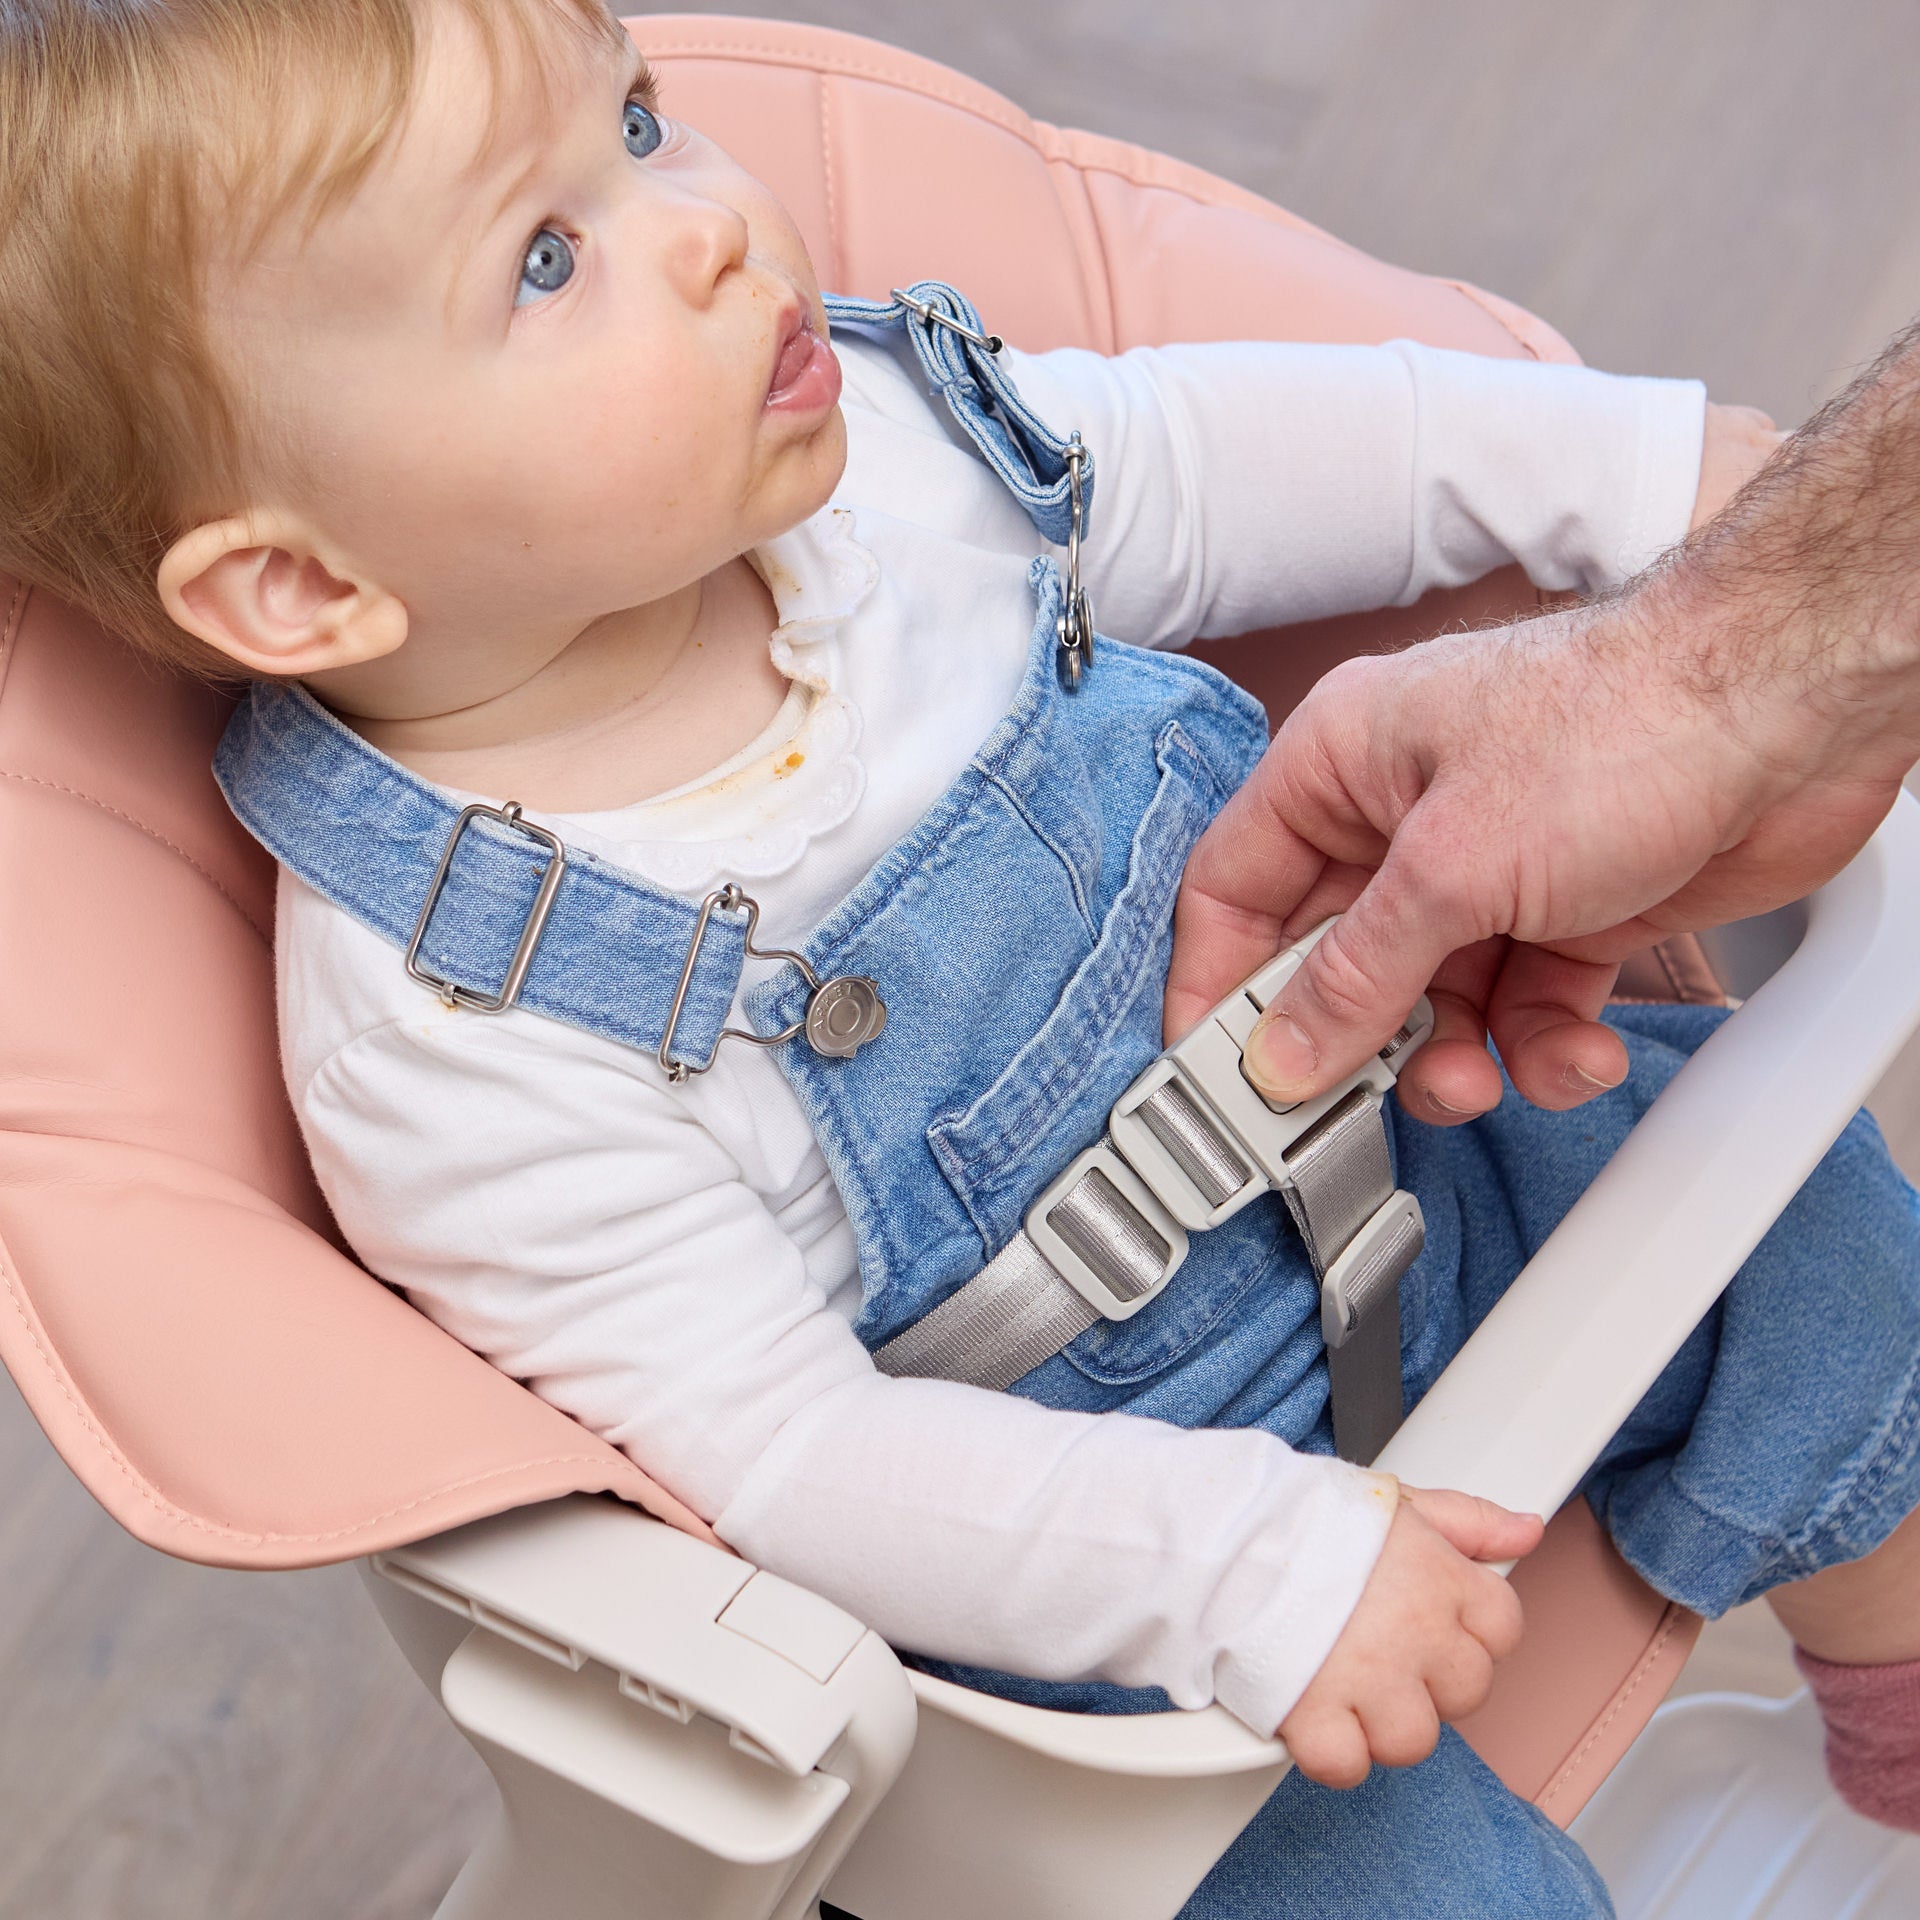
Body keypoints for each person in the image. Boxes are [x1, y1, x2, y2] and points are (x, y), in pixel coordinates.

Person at [2, 3, 1916, 1912]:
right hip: (1081, 1557)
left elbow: (1229, 453)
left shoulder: (892, 459)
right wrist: (1232, 1563)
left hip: (1413, 1144)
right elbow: (786, 1461)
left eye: (643, 125)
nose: (714, 227)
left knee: (1835, 1251)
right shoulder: (456, 1041)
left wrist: (1660, 492)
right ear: (304, 584)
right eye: (546, 260)